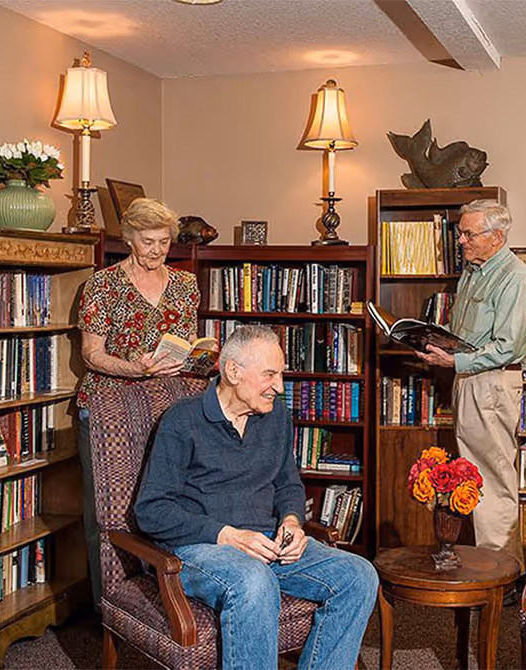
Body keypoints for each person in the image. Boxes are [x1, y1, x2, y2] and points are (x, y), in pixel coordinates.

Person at [134, 325, 378, 669]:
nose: (279, 386)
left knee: (359, 576)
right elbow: (151, 510)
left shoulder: (276, 415)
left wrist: (292, 521)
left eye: (280, 374)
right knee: (254, 579)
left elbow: (288, 483)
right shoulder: (182, 421)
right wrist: (227, 535)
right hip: (200, 549)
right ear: (233, 372)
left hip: (267, 543)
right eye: (269, 374)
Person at [76, 197, 200, 607]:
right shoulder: (103, 284)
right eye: (148, 241)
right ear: (129, 238)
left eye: (163, 242)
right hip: (111, 402)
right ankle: (110, 601)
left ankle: (171, 590)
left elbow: (186, 343)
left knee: (168, 496)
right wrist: (136, 368)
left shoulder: (184, 285)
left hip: (168, 400)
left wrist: (195, 356)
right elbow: (91, 354)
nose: (156, 250)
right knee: (111, 505)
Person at [417, 199, 526, 571]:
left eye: (469, 233)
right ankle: (485, 565)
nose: (461, 240)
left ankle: (502, 572)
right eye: (461, 232)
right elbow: (468, 333)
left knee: (493, 478)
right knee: (472, 474)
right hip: (468, 380)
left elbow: (508, 346)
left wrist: (455, 360)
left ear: (497, 236)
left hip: (491, 383)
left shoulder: (516, 278)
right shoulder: (474, 271)